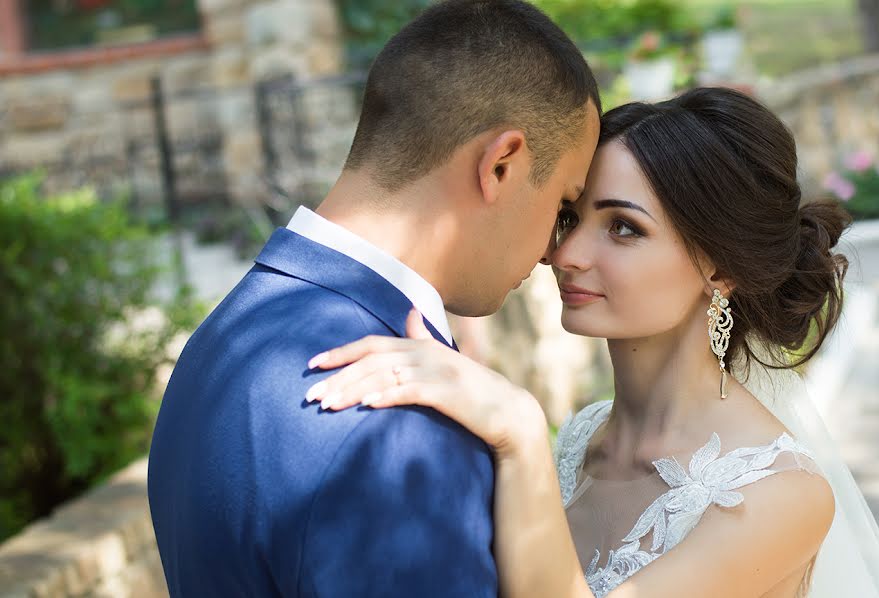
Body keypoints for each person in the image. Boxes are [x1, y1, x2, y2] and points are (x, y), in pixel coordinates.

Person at [310, 87, 879, 597]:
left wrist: (518, 429)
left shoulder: (779, 494)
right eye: (572, 217)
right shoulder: (582, 435)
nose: (566, 254)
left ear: (721, 269)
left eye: (623, 227)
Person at [146, 1, 600, 596]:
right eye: (564, 207)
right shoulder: (396, 428)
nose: (551, 252)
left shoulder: (223, 337)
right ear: (501, 164)